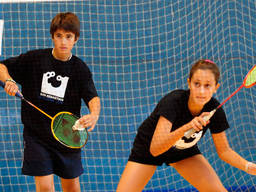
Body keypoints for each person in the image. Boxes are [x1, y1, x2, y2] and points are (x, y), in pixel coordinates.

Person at [116, 59, 256, 192]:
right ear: (189, 83)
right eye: (197, 84)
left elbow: (224, 150)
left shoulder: (215, 109)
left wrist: (247, 166)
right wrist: (187, 127)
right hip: (149, 148)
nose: (201, 91)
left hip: (183, 150)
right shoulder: (173, 101)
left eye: (207, 85)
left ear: (216, 87)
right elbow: (155, 148)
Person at [0, 12, 100, 192]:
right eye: (59, 36)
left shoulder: (80, 69)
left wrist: (94, 114)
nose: (63, 42)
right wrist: (8, 80)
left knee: (72, 188)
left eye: (68, 37)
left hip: (67, 134)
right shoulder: (34, 59)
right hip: (37, 136)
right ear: (52, 36)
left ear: (75, 39)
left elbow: (93, 97)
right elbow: (1, 66)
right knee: (45, 187)